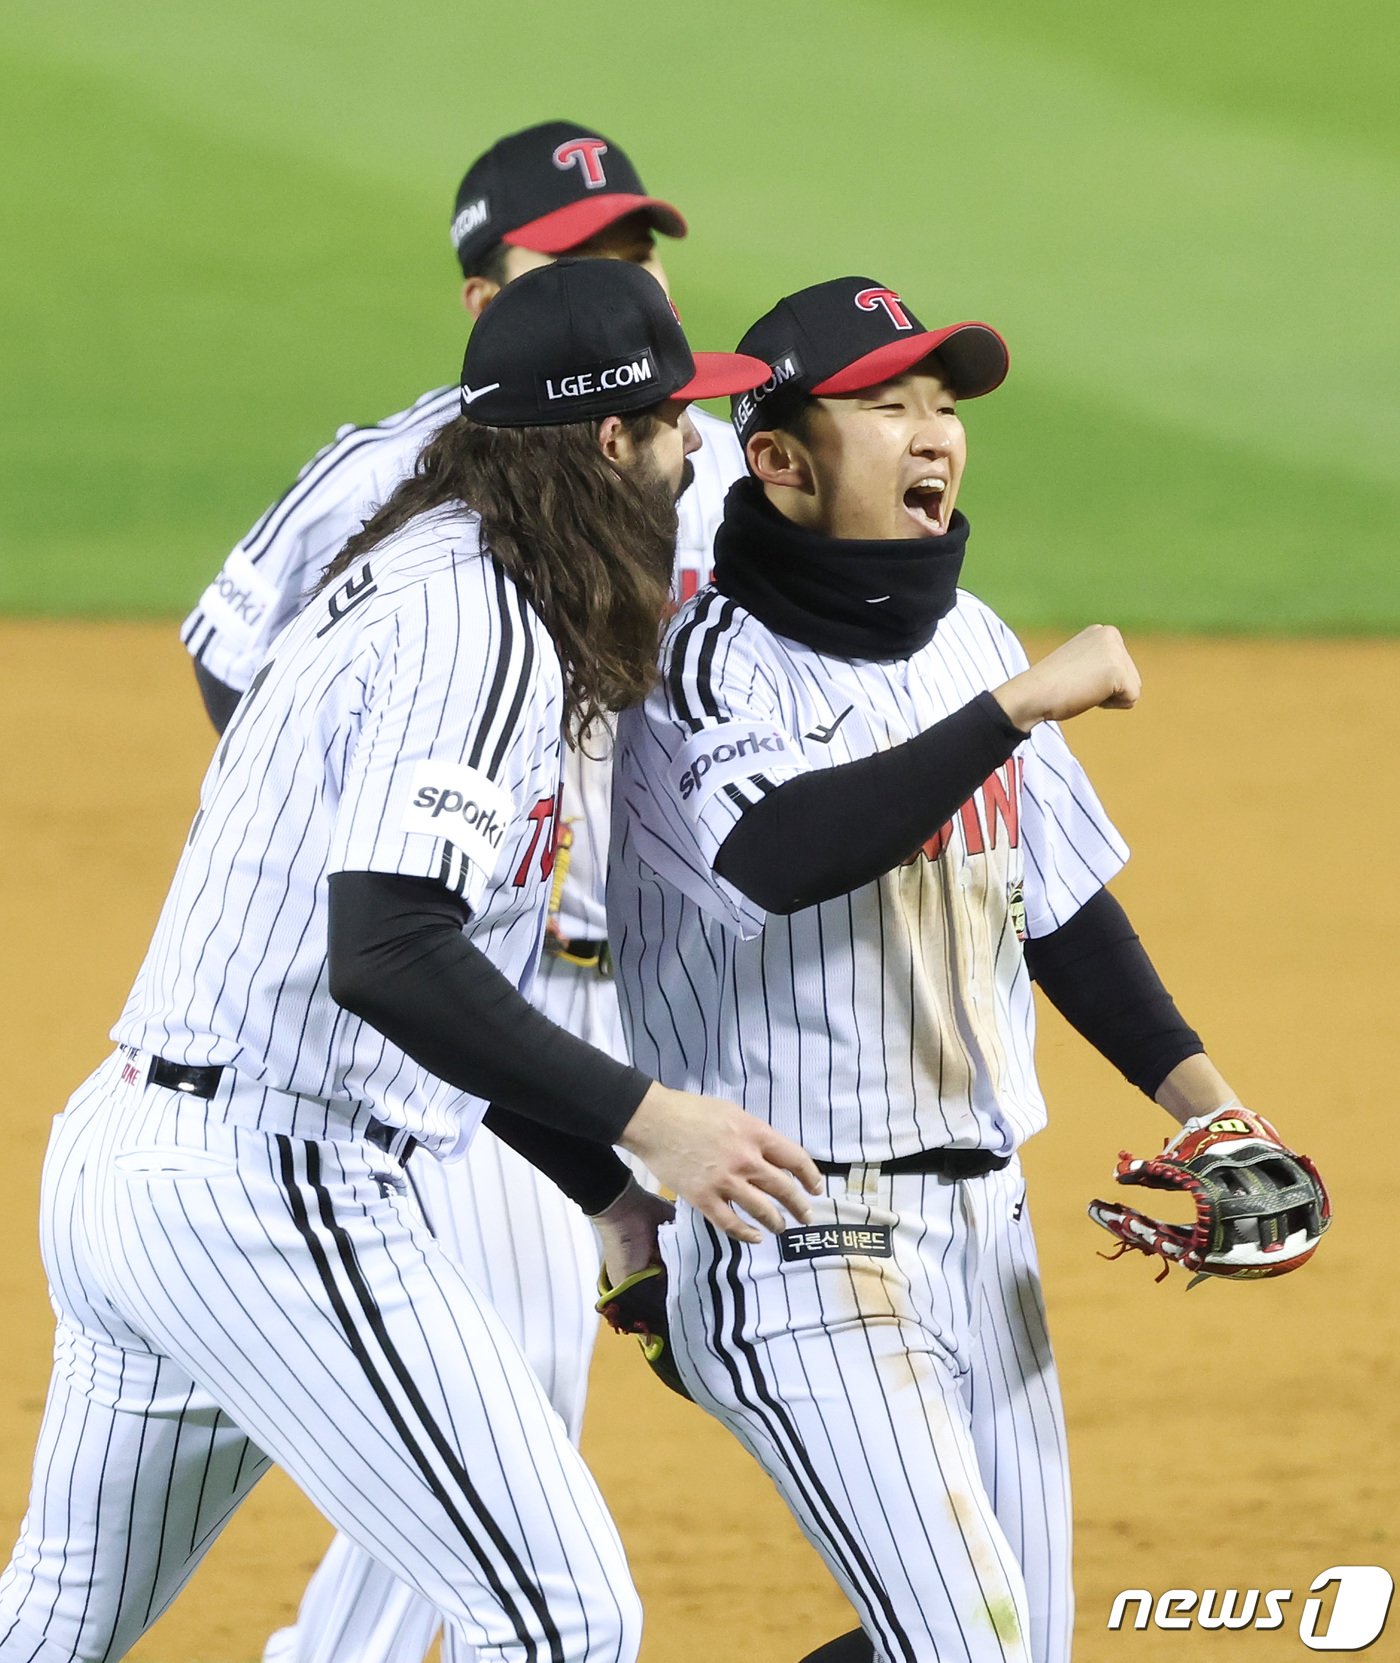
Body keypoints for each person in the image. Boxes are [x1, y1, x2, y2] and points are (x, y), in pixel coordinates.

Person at [0, 258, 815, 1663]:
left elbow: (421, 979)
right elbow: (390, 955)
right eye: (681, 422)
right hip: (267, 1190)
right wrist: (653, 1123)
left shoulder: (435, 558)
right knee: (562, 1622)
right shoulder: (480, 629)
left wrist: (603, 1193)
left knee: (52, 1627)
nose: (702, 451)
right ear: (611, 442)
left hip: (148, 1162)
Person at [609, 276, 1317, 1663]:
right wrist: (1012, 712)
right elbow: (779, 851)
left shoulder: (971, 637)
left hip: (987, 1242)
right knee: (967, 1648)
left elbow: (1057, 912)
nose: (934, 433)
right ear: (781, 462)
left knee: (1002, 1652)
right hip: (796, 1241)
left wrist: (1212, 1108)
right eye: (888, 403)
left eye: (944, 404)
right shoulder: (700, 671)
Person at [179, 120, 748, 1663]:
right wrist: (391, 845)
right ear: (492, 303)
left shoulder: (685, 460)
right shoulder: (394, 479)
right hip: (458, 985)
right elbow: (230, 654)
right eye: (587, 265)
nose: (631, 288)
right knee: (504, 1409)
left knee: (477, 1423)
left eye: (639, 256)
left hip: (622, 985)